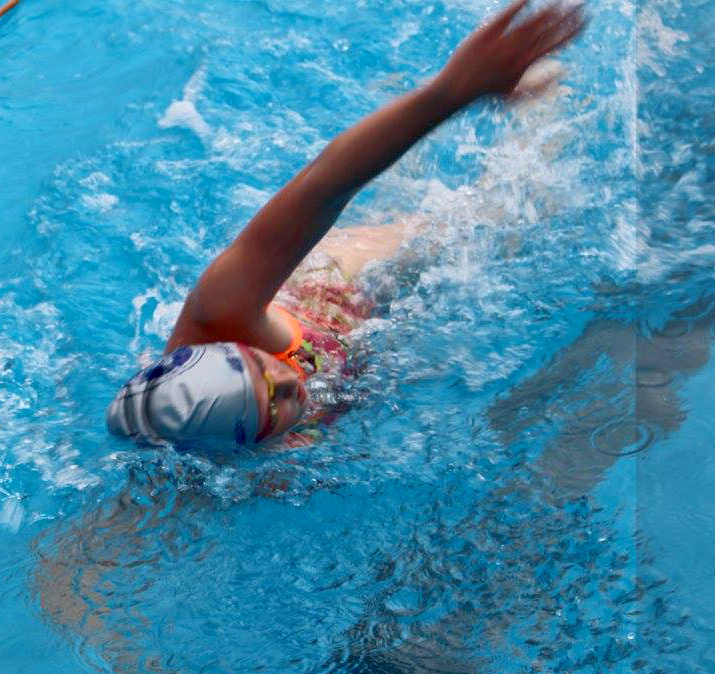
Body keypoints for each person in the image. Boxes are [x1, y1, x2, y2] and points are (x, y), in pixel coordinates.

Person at [106, 0, 586, 450]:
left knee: (502, 217)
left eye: (260, 365)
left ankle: (527, 117)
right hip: (371, 349)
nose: (291, 379)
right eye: (273, 404)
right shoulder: (257, 471)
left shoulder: (221, 312)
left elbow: (323, 186)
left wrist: (451, 93)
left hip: (341, 287)